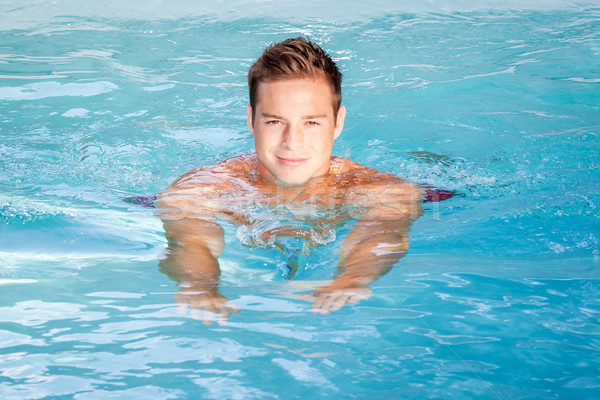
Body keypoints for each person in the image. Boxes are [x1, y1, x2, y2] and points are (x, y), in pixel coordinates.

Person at [156, 37, 423, 325]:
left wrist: (353, 278)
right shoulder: (208, 187)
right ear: (251, 119)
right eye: (274, 122)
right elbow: (191, 240)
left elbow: (383, 233)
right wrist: (199, 285)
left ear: (338, 123)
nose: (292, 142)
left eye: (312, 123)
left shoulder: (376, 189)